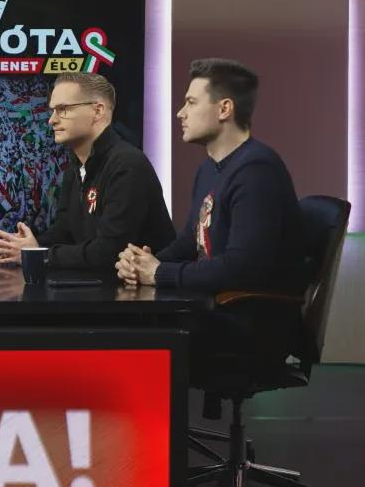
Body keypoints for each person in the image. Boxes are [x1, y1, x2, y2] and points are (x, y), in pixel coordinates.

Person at [116, 58, 305, 372]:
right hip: (215, 309)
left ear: (224, 109)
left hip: (249, 323)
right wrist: (141, 263)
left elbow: (242, 267)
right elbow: (189, 243)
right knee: (120, 325)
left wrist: (159, 273)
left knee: (130, 335)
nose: (180, 113)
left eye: (191, 102)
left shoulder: (257, 171)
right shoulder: (209, 169)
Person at [0, 73, 174, 275]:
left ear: (97, 111)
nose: (52, 120)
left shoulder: (128, 164)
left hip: (141, 291)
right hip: (96, 286)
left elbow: (110, 252)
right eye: (52, 111)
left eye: (63, 109)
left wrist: (40, 254)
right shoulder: (74, 167)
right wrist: (28, 246)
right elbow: (65, 231)